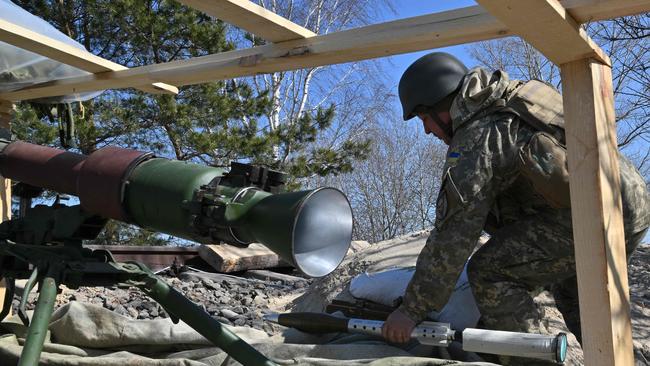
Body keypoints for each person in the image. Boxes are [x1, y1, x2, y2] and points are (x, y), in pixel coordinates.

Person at [381, 52, 650, 364]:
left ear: (439, 105)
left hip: (591, 212)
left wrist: (411, 309)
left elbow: (454, 235)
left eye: (424, 118)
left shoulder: (478, 136)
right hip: (628, 204)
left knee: (489, 272)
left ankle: (537, 361)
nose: (427, 130)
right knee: (578, 292)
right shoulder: (509, 101)